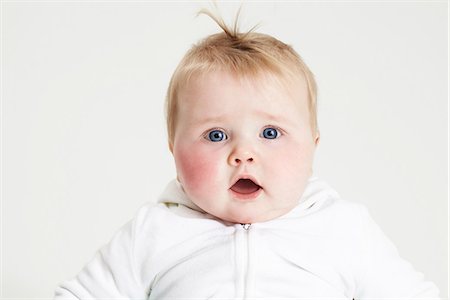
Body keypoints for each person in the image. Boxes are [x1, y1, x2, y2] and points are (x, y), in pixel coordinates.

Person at [54, 10, 440, 299]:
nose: (243, 154)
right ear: (173, 149)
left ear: (313, 147)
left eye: (270, 133)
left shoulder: (345, 230)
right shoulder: (153, 233)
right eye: (216, 134)